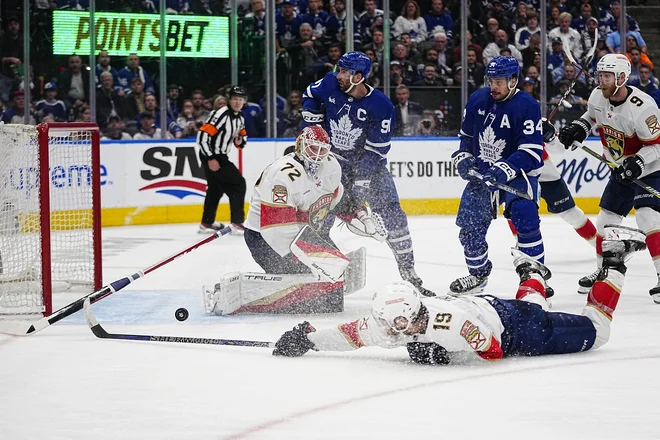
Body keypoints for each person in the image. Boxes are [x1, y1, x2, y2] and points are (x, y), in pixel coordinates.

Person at [272, 227, 647, 362]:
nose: (399, 330)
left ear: (417, 309)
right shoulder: (387, 324)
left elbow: (494, 351)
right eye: (391, 323)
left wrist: (447, 352)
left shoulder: (452, 326)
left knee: (598, 332)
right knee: (530, 302)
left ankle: (614, 259)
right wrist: (307, 340)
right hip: (487, 307)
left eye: (402, 321)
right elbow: (349, 335)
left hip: (511, 328)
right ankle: (531, 272)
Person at [205, 125, 377, 315]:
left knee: (331, 291)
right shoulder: (282, 175)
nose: (318, 155)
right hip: (264, 239)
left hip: (304, 233)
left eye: (323, 150)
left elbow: (336, 197)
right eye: (312, 148)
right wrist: (308, 261)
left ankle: (306, 278)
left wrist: (358, 214)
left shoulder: (331, 165)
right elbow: (277, 231)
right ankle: (242, 295)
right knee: (314, 291)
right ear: (300, 146)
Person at [301, 51, 433, 296]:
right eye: (339, 70)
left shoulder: (381, 105)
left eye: (344, 72)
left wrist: (361, 182)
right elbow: (310, 94)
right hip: (332, 166)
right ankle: (311, 271)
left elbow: (375, 151)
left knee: (394, 217)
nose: (338, 75)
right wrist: (312, 117)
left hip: (368, 167)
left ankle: (409, 272)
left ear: (358, 77)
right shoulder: (330, 84)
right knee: (318, 218)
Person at [558, 54, 660, 303]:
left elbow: (657, 145)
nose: (601, 81)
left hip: (651, 167)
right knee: (605, 222)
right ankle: (603, 271)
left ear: (622, 78)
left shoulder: (643, 107)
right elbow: (591, 119)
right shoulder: (597, 96)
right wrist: (577, 130)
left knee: (647, 217)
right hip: (621, 169)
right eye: (600, 75)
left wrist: (638, 161)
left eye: (606, 76)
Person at [450, 55, 545, 294]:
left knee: (526, 217)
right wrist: (464, 156)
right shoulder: (478, 99)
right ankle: (478, 276)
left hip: (517, 174)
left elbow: (532, 152)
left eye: (500, 81)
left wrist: (505, 167)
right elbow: (467, 138)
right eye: (491, 80)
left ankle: (534, 280)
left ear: (513, 81)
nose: (494, 86)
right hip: (483, 174)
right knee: (469, 227)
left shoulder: (528, 105)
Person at [196, 86, 248, 234]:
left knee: (215, 189)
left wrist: (239, 140)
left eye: (240, 99)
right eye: (235, 99)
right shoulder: (221, 114)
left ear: (244, 101)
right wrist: (210, 158)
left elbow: (242, 139)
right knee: (238, 184)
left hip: (218, 155)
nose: (238, 102)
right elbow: (202, 136)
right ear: (229, 100)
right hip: (213, 155)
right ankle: (237, 222)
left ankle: (206, 223)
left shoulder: (240, 118)